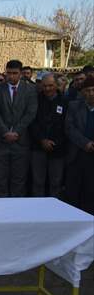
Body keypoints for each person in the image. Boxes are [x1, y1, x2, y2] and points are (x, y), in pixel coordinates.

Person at [0, 59, 38, 197]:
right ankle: (1, 215)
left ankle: (17, 215)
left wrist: (16, 132)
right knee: (0, 181)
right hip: (0, 142)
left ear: (21, 73)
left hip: (21, 142)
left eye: (14, 73)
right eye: (9, 73)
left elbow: (31, 113)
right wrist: (5, 132)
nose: (11, 76)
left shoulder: (30, 89)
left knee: (19, 181)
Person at [27, 73, 67, 198]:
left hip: (58, 149)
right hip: (38, 147)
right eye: (45, 86)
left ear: (56, 85)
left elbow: (67, 126)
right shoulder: (35, 100)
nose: (47, 89)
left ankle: (55, 213)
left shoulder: (65, 102)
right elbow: (32, 123)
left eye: (51, 85)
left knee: (56, 183)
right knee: (38, 183)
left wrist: (55, 142)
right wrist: (42, 140)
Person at [64, 76, 94, 214]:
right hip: (77, 155)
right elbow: (69, 128)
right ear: (82, 92)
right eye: (87, 90)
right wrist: (85, 143)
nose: (91, 93)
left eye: (93, 90)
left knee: (90, 192)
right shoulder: (74, 106)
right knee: (73, 192)